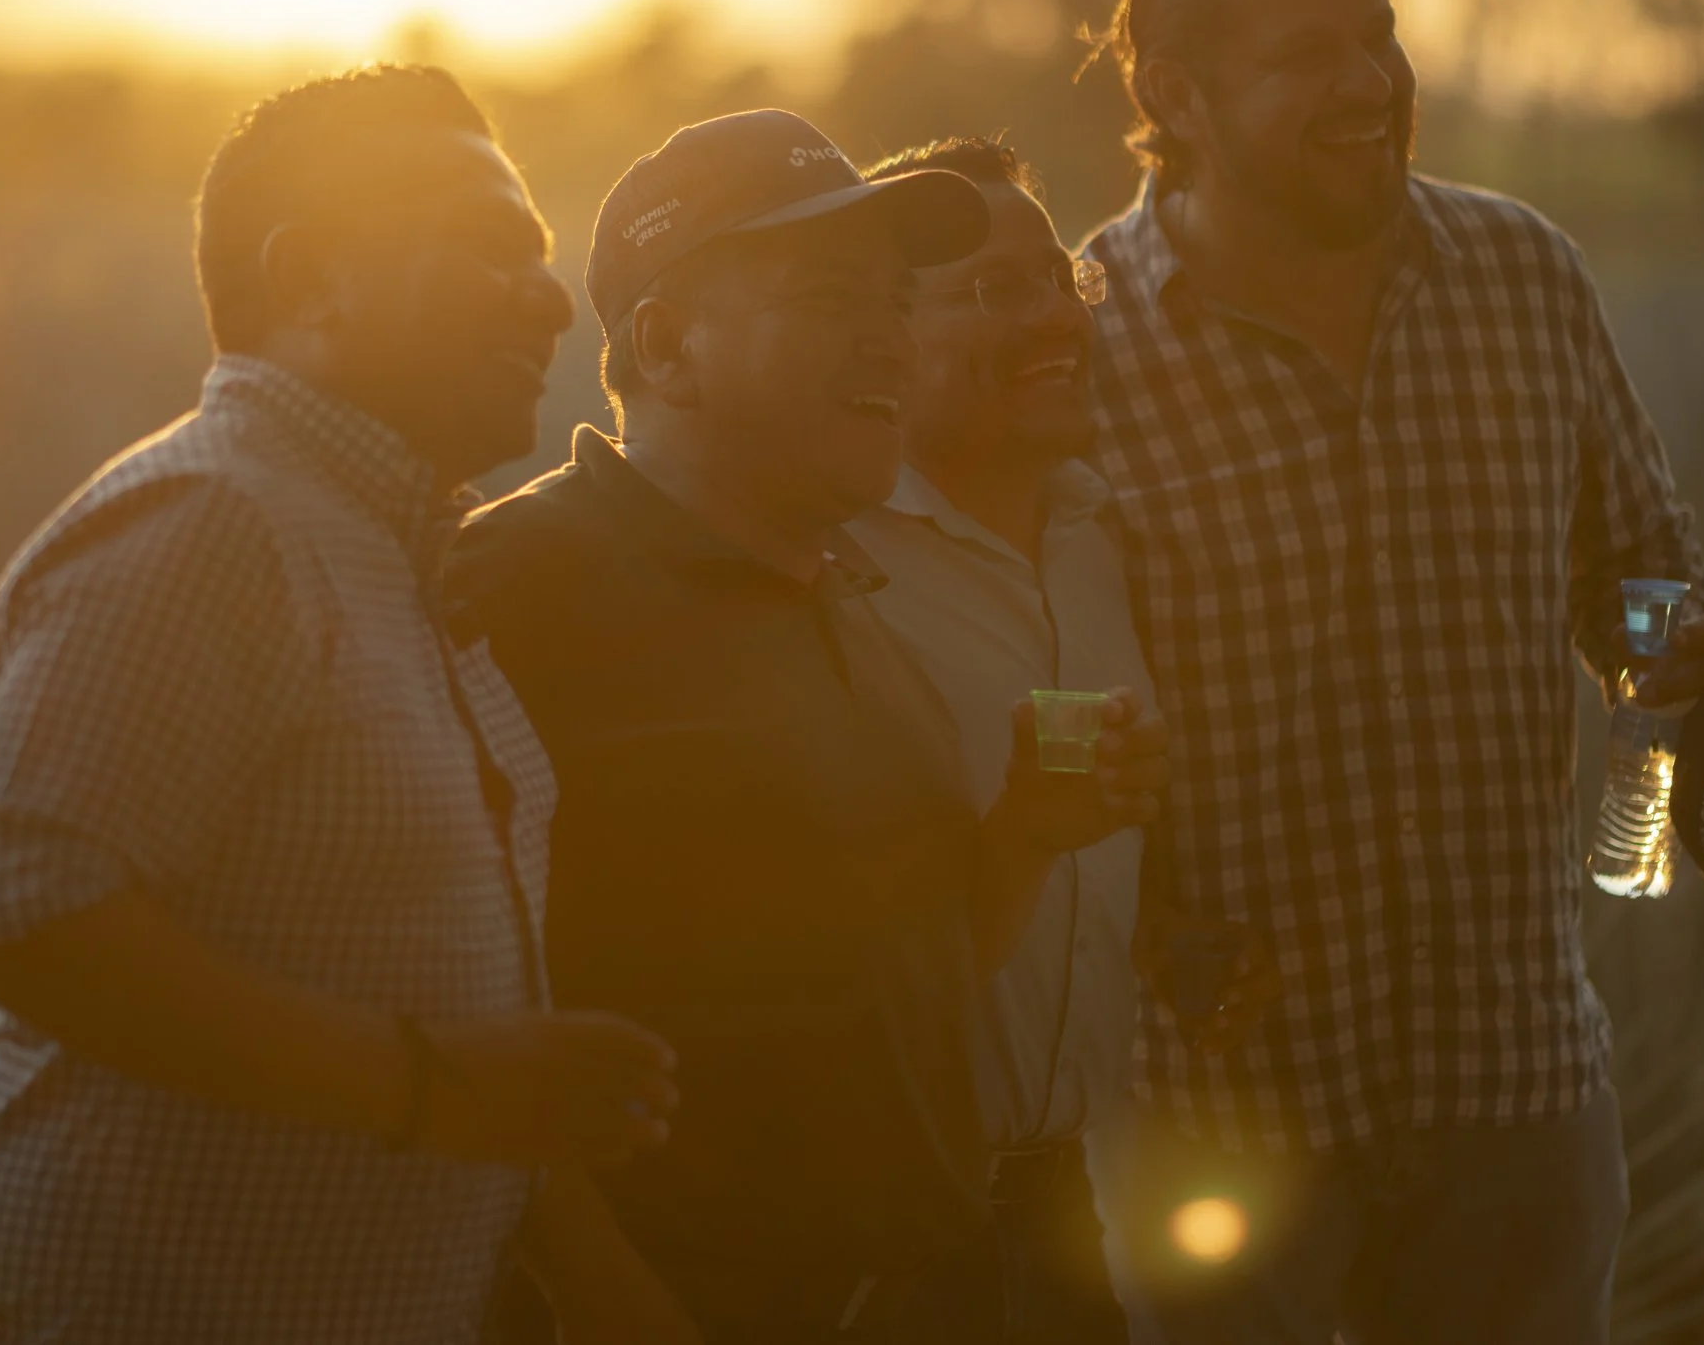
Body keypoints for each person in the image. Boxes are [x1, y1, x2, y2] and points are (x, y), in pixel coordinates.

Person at [1079, 0, 1704, 1345]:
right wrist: (1135, 928)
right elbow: (1016, 709)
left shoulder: (1521, 275)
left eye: (1376, 33)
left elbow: (1639, 573)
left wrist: (1663, 674)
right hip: (1214, 1109)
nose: (1368, 83)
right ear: (1175, 94)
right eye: (1304, 54)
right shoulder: (1074, 354)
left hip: (1512, 1082)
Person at [0, 65, 688, 1345]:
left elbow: (449, 1014)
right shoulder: (214, 524)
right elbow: (16, 914)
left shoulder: (393, 553)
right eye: (491, 246)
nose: (552, 297)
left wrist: (596, 1276)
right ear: (314, 278)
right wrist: (426, 1091)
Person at [449, 109, 1167, 1344]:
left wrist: (1026, 837)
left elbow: (922, 969)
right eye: (835, 298)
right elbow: (433, 1003)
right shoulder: (516, 586)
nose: (887, 335)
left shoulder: (834, 585)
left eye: (896, 301)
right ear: (669, 346)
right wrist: (597, 1290)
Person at [844, 135, 1161, 1345]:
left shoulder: (1110, 536)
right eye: (994, 291)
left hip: (1072, 1206)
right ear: (881, 343)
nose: (1055, 321)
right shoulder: (830, 562)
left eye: (1059, 282)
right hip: (882, 1229)